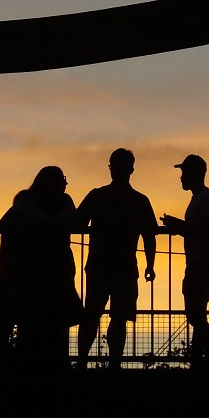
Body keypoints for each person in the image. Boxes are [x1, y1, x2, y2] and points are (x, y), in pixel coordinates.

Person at [75, 149, 157, 371]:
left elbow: (76, 221)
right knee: (112, 317)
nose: (117, 171)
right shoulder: (139, 201)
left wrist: (150, 264)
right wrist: (150, 264)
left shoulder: (99, 196)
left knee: (96, 315)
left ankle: (87, 362)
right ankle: (112, 364)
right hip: (120, 268)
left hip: (105, 266)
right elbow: (150, 235)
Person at [0, 167, 78, 367]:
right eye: (62, 180)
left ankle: (50, 360)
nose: (65, 184)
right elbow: (7, 221)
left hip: (55, 267)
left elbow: (71, 221)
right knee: (37, 314)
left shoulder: (61, 202)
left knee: (53, 314)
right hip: (36, 267)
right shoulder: (30, 202)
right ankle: (37, 360)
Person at [161, 154, 209, 365]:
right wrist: (179, 226)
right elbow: (198, 230)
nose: (181, 177)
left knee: (195, 314)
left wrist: (178, 226)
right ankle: (200, 357)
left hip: (202, 261)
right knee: (198, 313)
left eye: (184, 173)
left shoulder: (205, 198)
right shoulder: (200, 198)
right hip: (200, 260)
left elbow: (203, 230)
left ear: (197, 174)